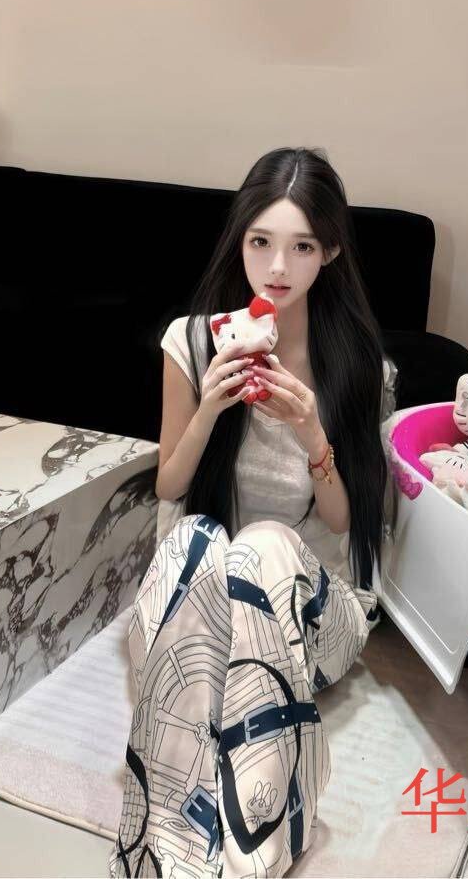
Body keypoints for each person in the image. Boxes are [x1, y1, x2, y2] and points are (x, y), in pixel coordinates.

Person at [109, 147, 397, 878]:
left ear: (330, 252)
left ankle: (256, 842)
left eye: (302, 247)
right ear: (238, 240)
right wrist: (210, 405)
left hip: (309, 614)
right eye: (261, 241)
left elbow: (343, 523)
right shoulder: (193, 339)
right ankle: (169, 845)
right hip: (199, 607)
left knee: (264, 541)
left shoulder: (358, 365)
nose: (276, 267)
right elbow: (171, 485)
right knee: (195, 539)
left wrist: (312, 433)